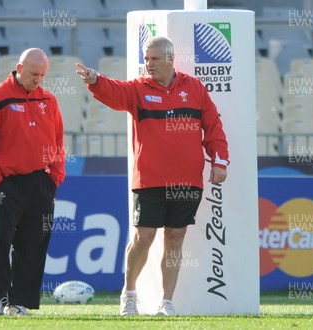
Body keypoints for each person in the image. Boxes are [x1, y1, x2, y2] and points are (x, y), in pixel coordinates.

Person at [76, 36, 229, 316]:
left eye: (155, 59)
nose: (149, 64)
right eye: (146, 59)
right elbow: (115, 93)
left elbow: (214, 127)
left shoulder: (194, 88)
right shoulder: (137, 89)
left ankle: (166, 302)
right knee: (144, 236)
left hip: (187, 181)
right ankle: (129, 293)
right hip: (148, 179)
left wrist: (220, 161)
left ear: (171, 59)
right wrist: (96, 80)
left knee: (175, 237)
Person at [0, 48, 66, 317]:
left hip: (40, 181)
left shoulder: (48, 99)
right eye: (34, 74)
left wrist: (54, 177)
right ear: (19, 68)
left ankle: (19, 302)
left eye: (43, 75)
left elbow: (58, 140)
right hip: (6, 182)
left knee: (34, 243)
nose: (38, 79)